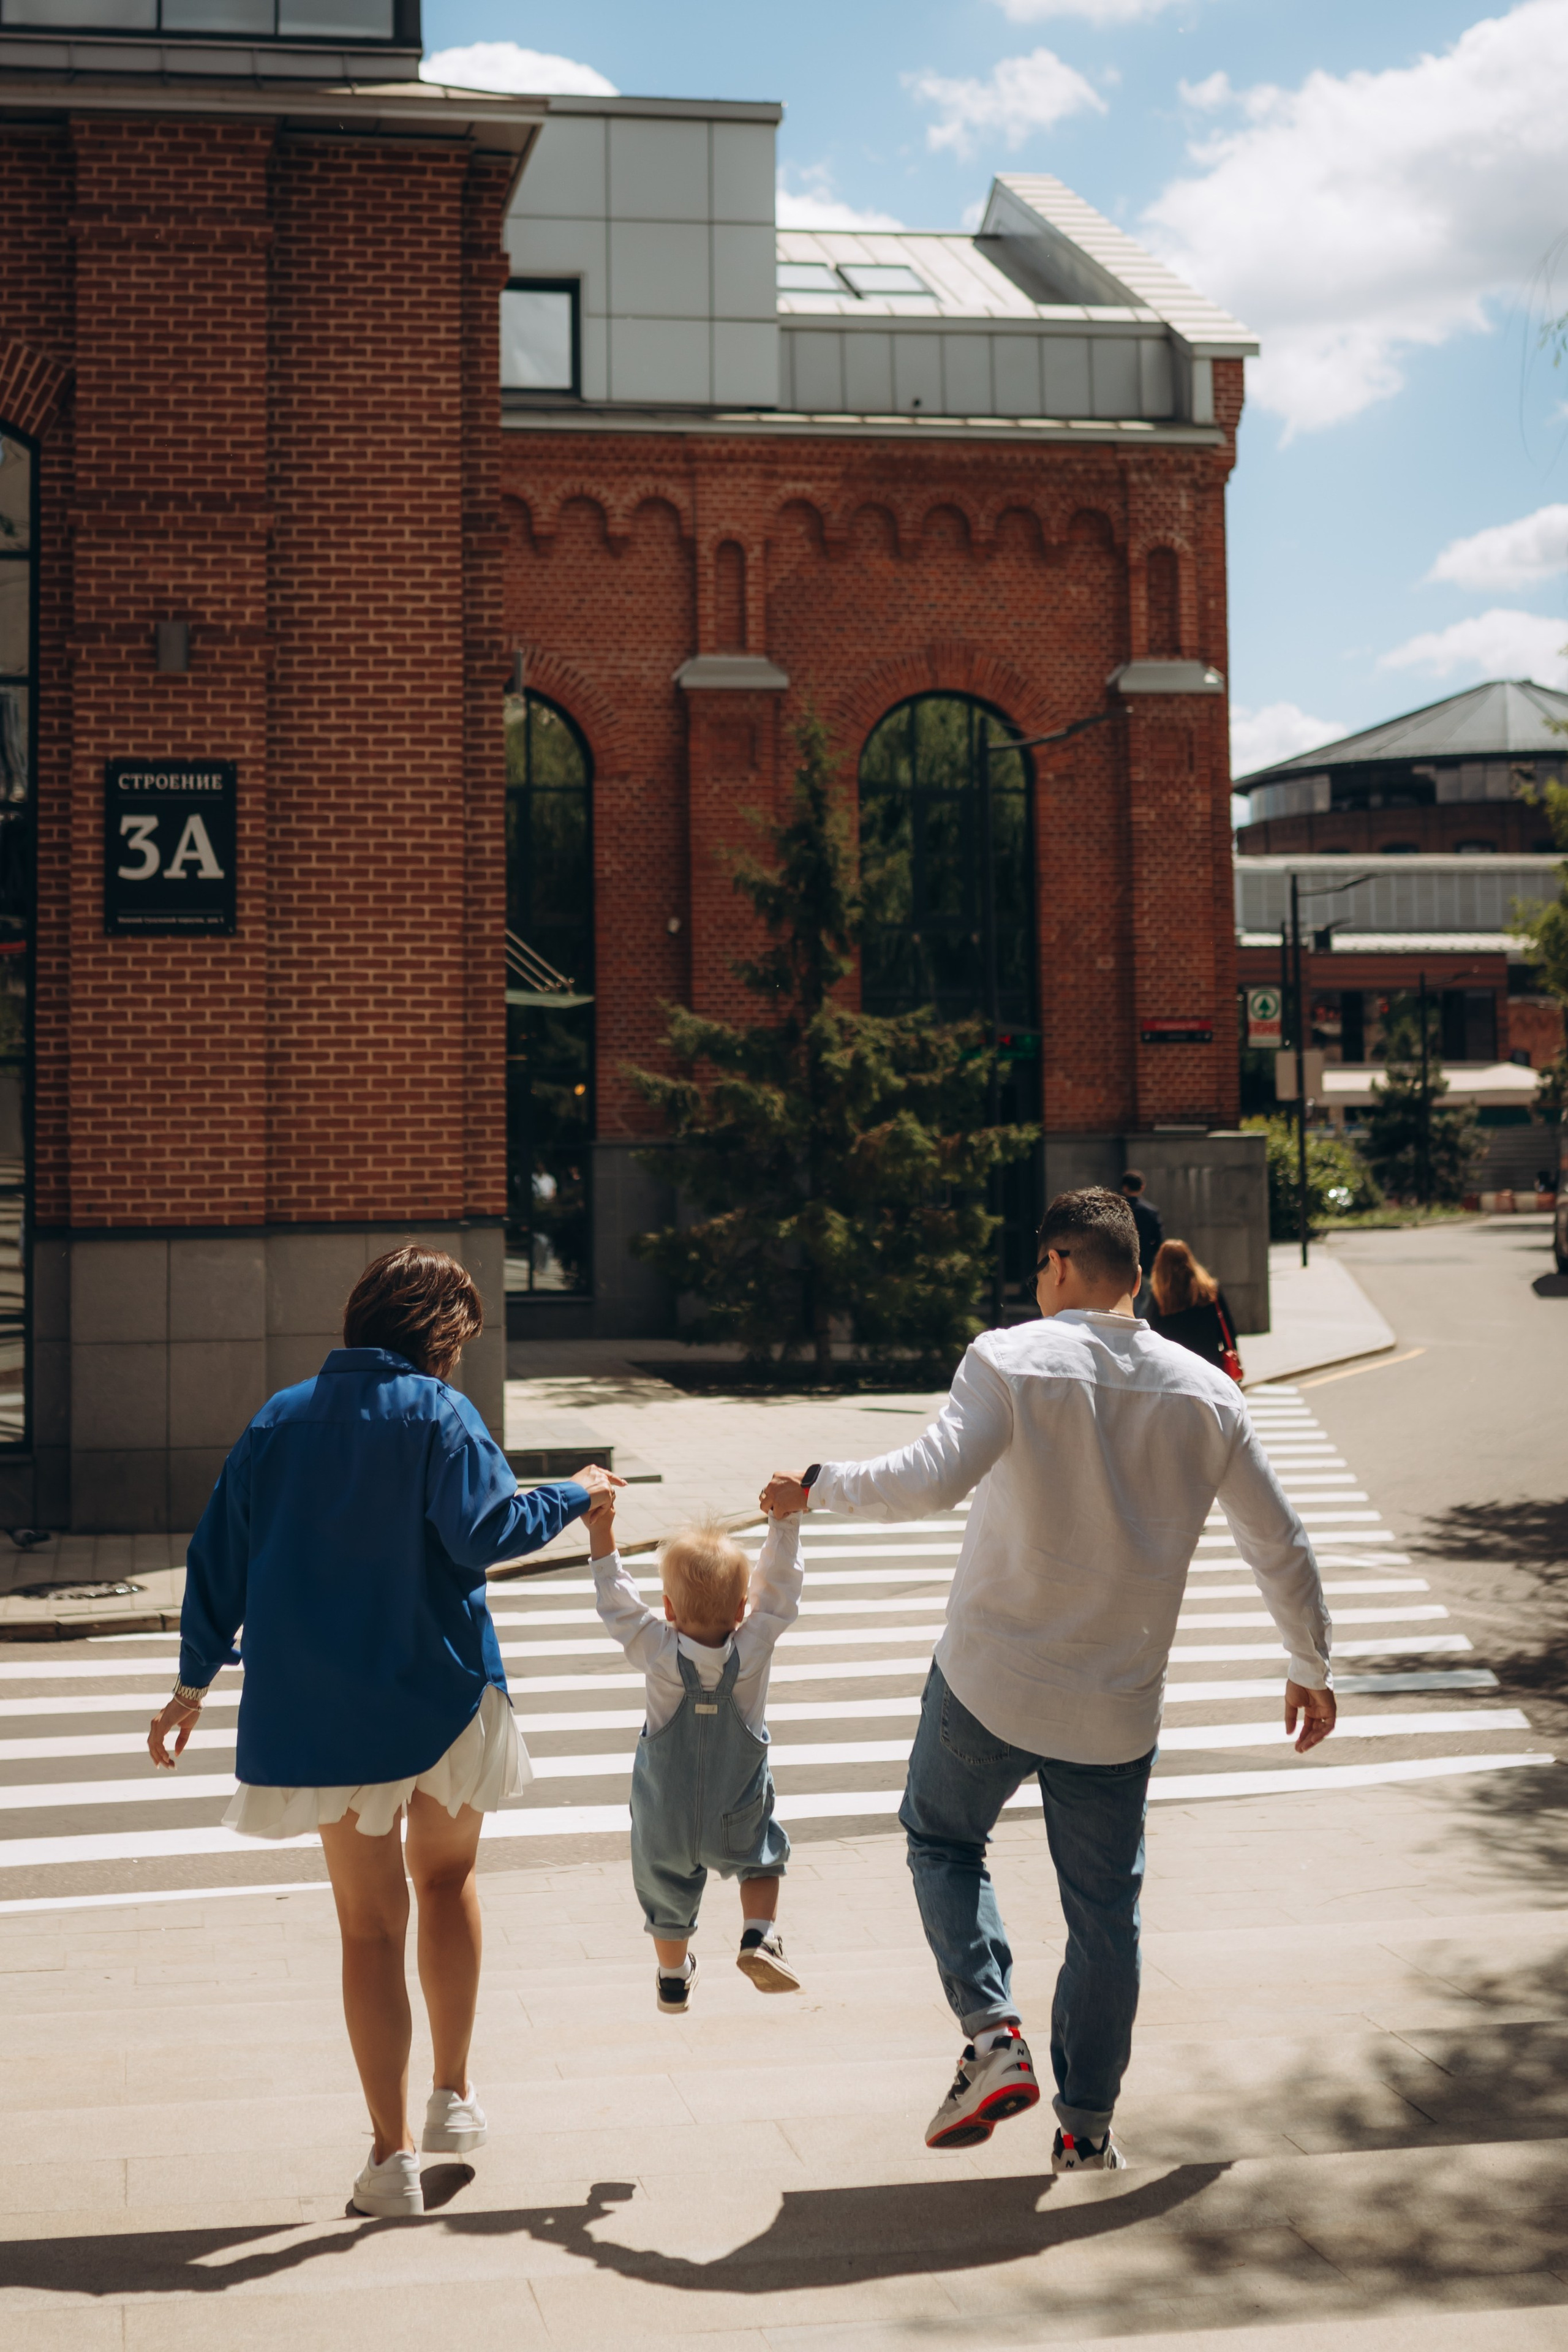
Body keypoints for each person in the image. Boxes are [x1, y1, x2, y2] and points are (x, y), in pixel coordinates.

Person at [763, 1186, 1333, 2172]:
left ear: (1060, 1264)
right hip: (1116, 1709)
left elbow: (930, 1479)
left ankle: (992, 2036)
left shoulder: (1008, 1359)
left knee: (942, 1839)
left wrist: (820, 1485)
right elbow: (1278, 1541)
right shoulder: (1210, 1394)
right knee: (1105, 1917)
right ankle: (1088, 2131)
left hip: (990, 1681)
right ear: (1134, 1273)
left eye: (1038, 1269)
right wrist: (1309, 1664)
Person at [146, 1245, 622, 2220]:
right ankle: (453, 2095)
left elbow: (216, 1560)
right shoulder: (442, 1414)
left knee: (368, 1928)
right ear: (441, 1335)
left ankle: (390, 2156)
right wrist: (577, 1494)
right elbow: (484, 1534)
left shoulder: (278, 1420)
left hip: (324, 1712)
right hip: (444, 1696)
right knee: (446, 1882)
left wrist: (191, 1687)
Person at [589, 1483, 804, 2010]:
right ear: (741, 1608)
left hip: (666, 1815)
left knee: (665, 1891)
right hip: (736, 1808)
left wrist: (602, 1534)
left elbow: (618, 1603)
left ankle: (672, 1976)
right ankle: (758, 1935)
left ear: (667, 1608)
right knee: (761, 1861)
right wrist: (783, 1524)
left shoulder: (658, 1649)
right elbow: (779, 1591)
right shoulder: (752, 1648)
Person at [1146, 1239, 1242, 1376]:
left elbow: (1151, 1335)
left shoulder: (1160, 1298)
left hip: (1175, 1372)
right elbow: (1228, 1331)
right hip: (1210, 1368)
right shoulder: (1210, 1292)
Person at [1120, 1169, 1163, 1317]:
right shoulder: (1151, 1212)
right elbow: (1158, 1241)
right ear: (1142, 1187)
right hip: (1145, 1264)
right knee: (1145, 1303)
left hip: (1121, 1263)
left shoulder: (1119, 1210)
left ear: (1125, 1187)